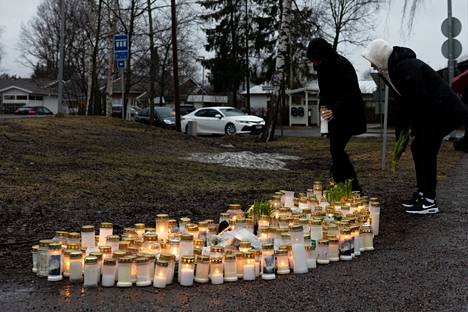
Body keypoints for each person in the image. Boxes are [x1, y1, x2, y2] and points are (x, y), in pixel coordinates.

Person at [362, 39, 468, 214]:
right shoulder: (391, 71)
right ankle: (422, 193)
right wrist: (401, 134)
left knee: (425, 149)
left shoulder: (407, 68)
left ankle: (429, 201)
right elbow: (402, 104)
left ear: (380, 57)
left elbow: (420, 100)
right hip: (433, 112)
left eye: (372, 60)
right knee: (419, 148)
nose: (372, 65)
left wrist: (416, 128)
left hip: (445, 112)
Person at [306, 38, 367, 192]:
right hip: (334, 115)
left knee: (337, 149)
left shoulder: (343, 65)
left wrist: (335, 110)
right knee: (335, 149)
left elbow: (350, 93)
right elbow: (324, 92)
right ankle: (343, 183)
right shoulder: (321, 68)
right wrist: (323, 107)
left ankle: (350, 185)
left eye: (316, 59)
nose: (315, 63)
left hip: (349, 114)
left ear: (323, 55)